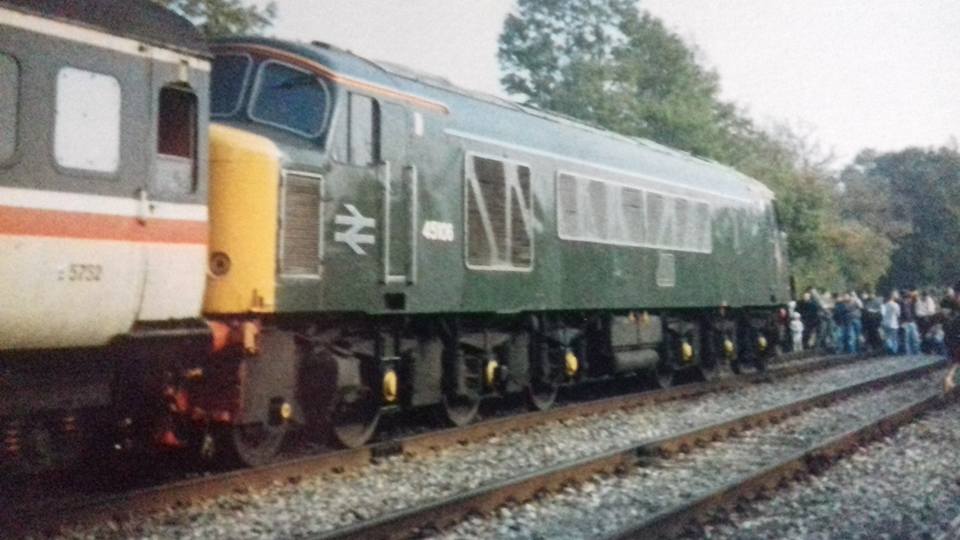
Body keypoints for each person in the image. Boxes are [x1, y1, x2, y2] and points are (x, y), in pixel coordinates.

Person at [901, 290, 921, 355]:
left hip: (912, 322)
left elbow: (916, 297)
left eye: (909, 298)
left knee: (915, 338)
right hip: (905, 323)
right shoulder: (901, 304)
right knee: (907, 340)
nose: (909, 299)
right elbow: (900, 315)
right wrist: (901, 322)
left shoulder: (911, 304)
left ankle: (917, 352)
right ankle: (908, 354)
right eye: (907, 298)